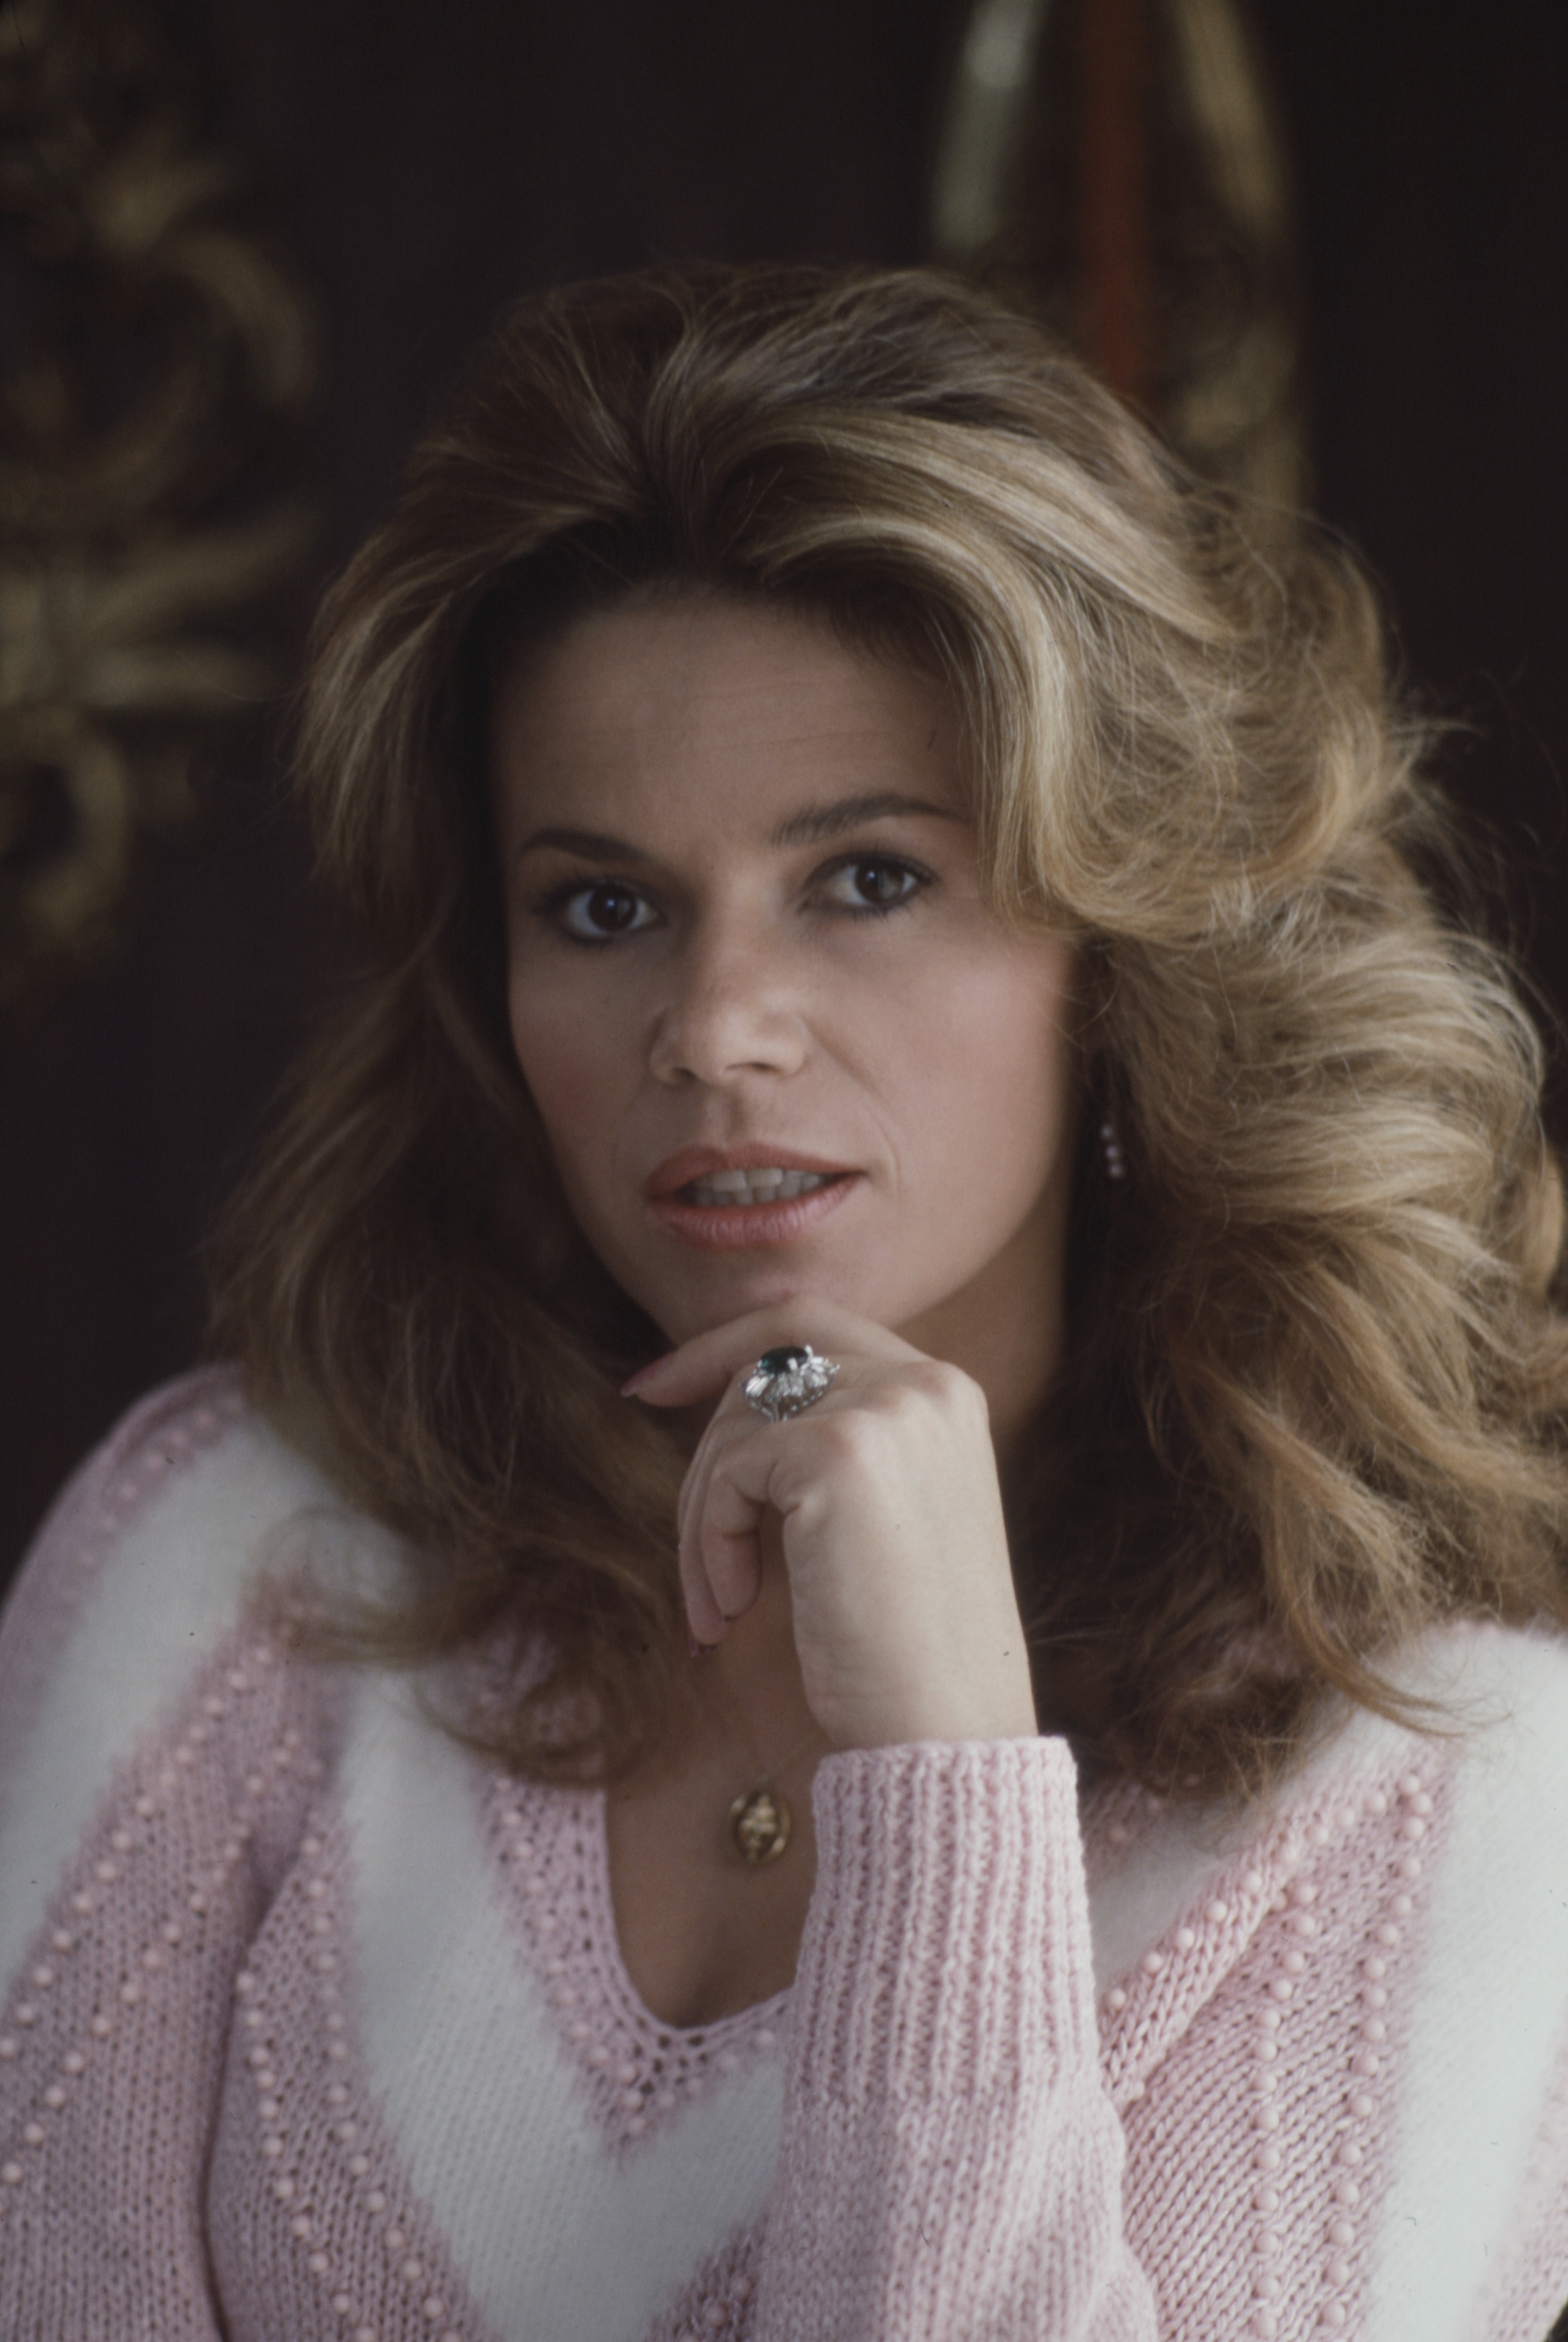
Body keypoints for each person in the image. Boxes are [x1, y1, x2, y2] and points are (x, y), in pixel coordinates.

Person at [3, 262, 1568, 2342]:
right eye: (603, 906)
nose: (714, 1025)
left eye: (866, 878)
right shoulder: (232, 1555)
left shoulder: (1456, 1760)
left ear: (1117, 951)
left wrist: (941, 1763)